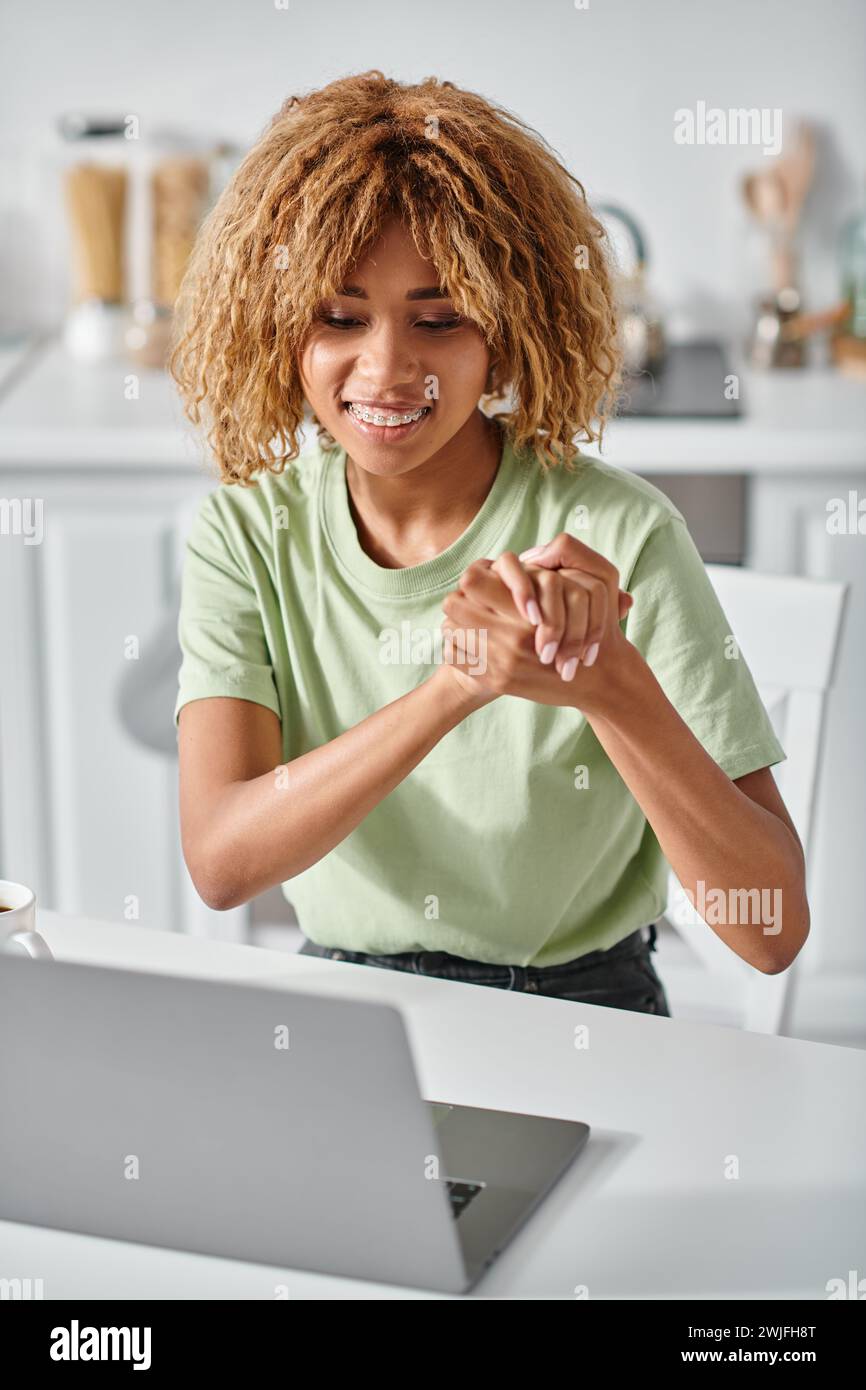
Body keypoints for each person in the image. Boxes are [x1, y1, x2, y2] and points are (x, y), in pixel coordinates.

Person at [170, 71, 809, 1016]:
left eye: (438, 321)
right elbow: (222, 864)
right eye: (341, 318)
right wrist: (456, 687)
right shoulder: (243, 537)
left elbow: (771, 931)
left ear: (509, 329)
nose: (386, 368)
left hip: (588, 1004)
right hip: (346, 999)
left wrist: (607, 681)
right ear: (279, 328)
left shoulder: (623, 534)